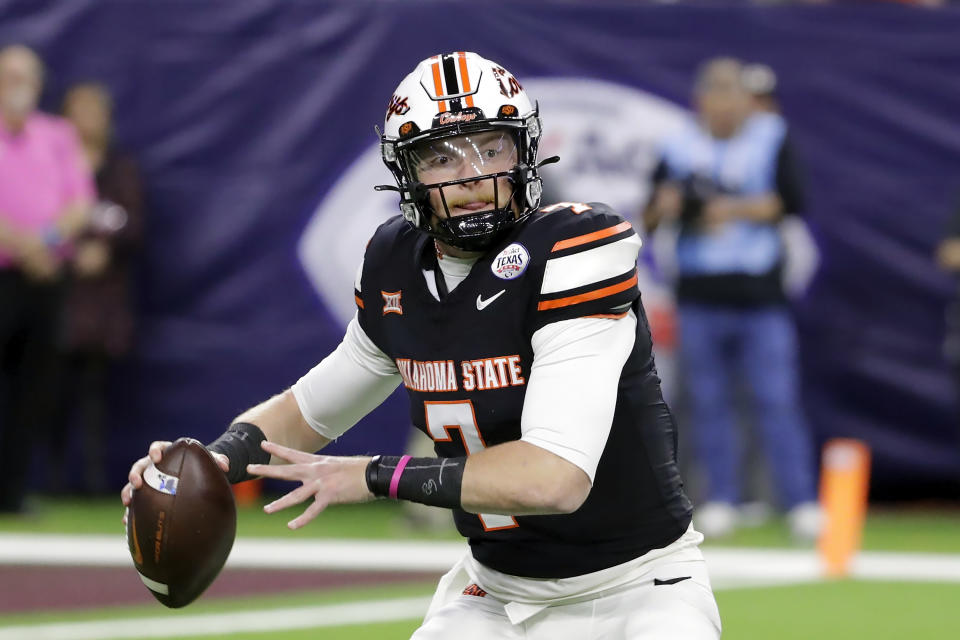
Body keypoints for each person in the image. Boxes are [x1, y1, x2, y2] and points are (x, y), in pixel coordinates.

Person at [122, 52, 721, 639]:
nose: (472, 176)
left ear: (524, 153)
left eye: (491, 148)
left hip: (638, 589)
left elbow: (554, 480)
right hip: (494, 594)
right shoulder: (396, 261)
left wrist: (374, 475)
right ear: (407, 175)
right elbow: (311, 408)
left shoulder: (578, 248)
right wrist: (207, 464)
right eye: (441, 157)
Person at [644, 57, 821, 541]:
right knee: (708, 400)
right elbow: (651, 212)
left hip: (760, 293)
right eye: (716, 95)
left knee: (775, 398)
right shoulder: (678, 142)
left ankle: (800, 500)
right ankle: (720, 496)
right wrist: (669, 206)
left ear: (746, 100)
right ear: (701, 99)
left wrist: (728, 208)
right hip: (700, 292)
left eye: (733, 95)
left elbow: (790, 201)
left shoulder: (770, 135)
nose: (724, 106)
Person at [0, 44, 94, 513]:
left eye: (26, 78)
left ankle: (11, 492)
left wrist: (46, 240)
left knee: (34, 388)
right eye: (9, 76)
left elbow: (80, 202)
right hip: (5, 276)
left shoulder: (57, 135)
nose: (18, 86)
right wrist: (24, 245)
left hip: (46, 280)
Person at [50, 83, 144, 493]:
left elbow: (133, 224)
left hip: (103, 304)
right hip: (52, 297)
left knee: (95, 395)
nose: (87, 120)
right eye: (79, 110)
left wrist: (105, 250)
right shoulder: (46, 166)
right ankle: (45, 481)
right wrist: (66, 251)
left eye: (95, 111)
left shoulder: (121, 170)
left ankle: (92, 482)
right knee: (48, 392)